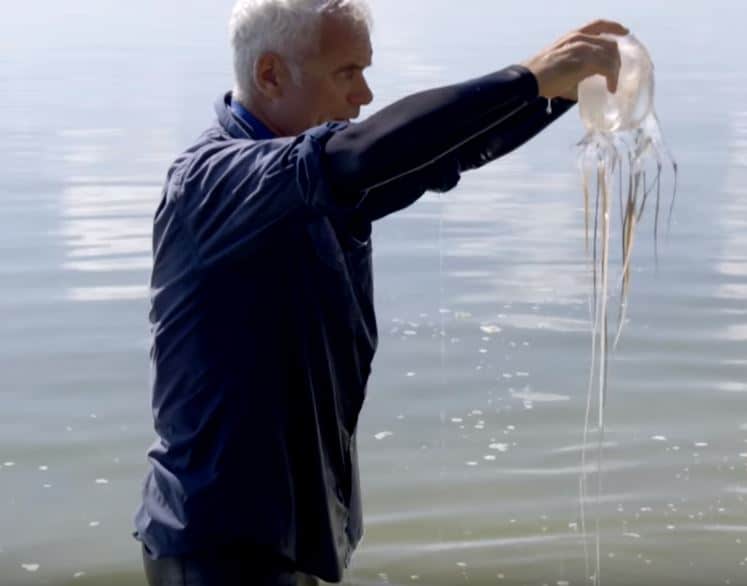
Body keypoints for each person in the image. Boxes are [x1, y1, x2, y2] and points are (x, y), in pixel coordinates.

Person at [133, 1, 626, 584]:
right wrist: (528, 78)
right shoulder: (215, 181)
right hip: (220, 550)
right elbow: (364, 150)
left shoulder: (314, 184)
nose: (364, 95)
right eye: (347, 73)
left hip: (297, 538)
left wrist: (560, 94)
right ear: (270, 74)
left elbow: (432, 151)